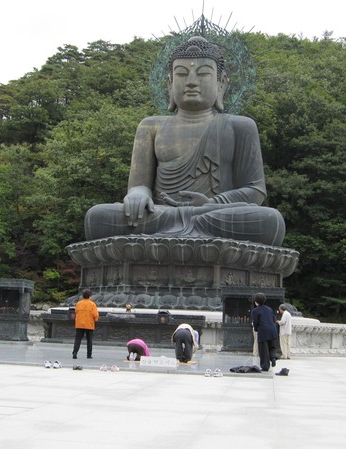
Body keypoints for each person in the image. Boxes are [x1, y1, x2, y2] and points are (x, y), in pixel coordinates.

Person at [84, 36, 285, 247]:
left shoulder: (240, 126)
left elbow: (255, 191)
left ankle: (172, 238)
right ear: (170, 84)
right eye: (181, 73)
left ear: (221, 84)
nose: (191, 81)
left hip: (214, 214)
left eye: (203, 73)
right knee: (97, 217)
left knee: (270, 220)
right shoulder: (150, 126)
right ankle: (186, 234)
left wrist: (211, 204)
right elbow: (139, 185)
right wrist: (138, 195)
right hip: (161, 214)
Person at [251, 293, 278, 371]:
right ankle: (273, 358)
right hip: (272, 330)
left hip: (263, 331)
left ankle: (265, 366)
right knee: (272, 346)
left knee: (263, 349)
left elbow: (255, 322)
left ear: (256, 301)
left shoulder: (255, 310)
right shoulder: (269, 309)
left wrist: (256, 329)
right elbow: (273, 319)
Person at [72, 289, 99, 359]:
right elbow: (95, 315)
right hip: (89, 324)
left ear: (83, 296)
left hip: (79, 324)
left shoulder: (78, 303)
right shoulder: (92, 304)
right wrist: (95, 320)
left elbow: (76, 312)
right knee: (89, 340)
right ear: (90, 296)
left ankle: (75, 352)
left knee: (78, 339)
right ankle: (89, 355)